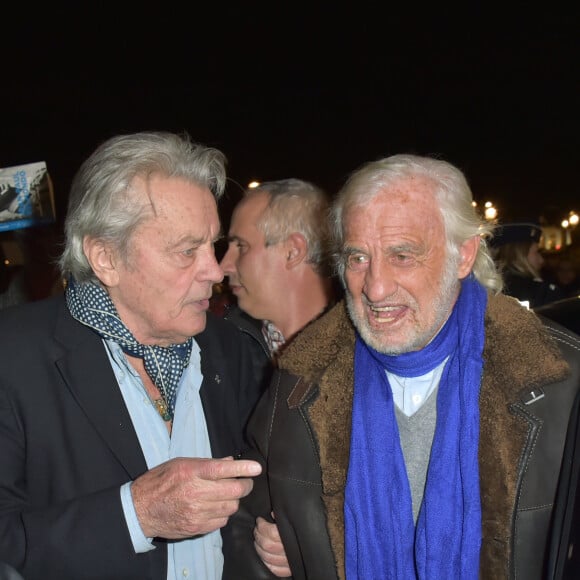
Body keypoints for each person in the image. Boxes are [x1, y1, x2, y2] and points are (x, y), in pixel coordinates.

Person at [224, 154, 580, 579]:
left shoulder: (561, 382)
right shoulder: (297, 384)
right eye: (358, 258)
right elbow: (244, 528)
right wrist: (289, 559)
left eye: (402, 255)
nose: (374, 287)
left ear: (463, 255)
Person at [0, 131, 263, 580]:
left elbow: (253, 498)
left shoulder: (231, 349)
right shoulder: (13, 357)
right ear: (105, 258)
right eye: (187, 251)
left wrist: (272, 540)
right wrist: (134, 516)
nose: (215, 270)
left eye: (212, 244)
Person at [219, 178, 337, 361]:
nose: (223, 267)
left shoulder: (365, 356)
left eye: (241, 247)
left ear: (293, 251)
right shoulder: (217, 350)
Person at [491, 221, 566, 308]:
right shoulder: (542, 293)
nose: (541, 260)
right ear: (519, 254)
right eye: (537, 252)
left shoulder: (487, 289)